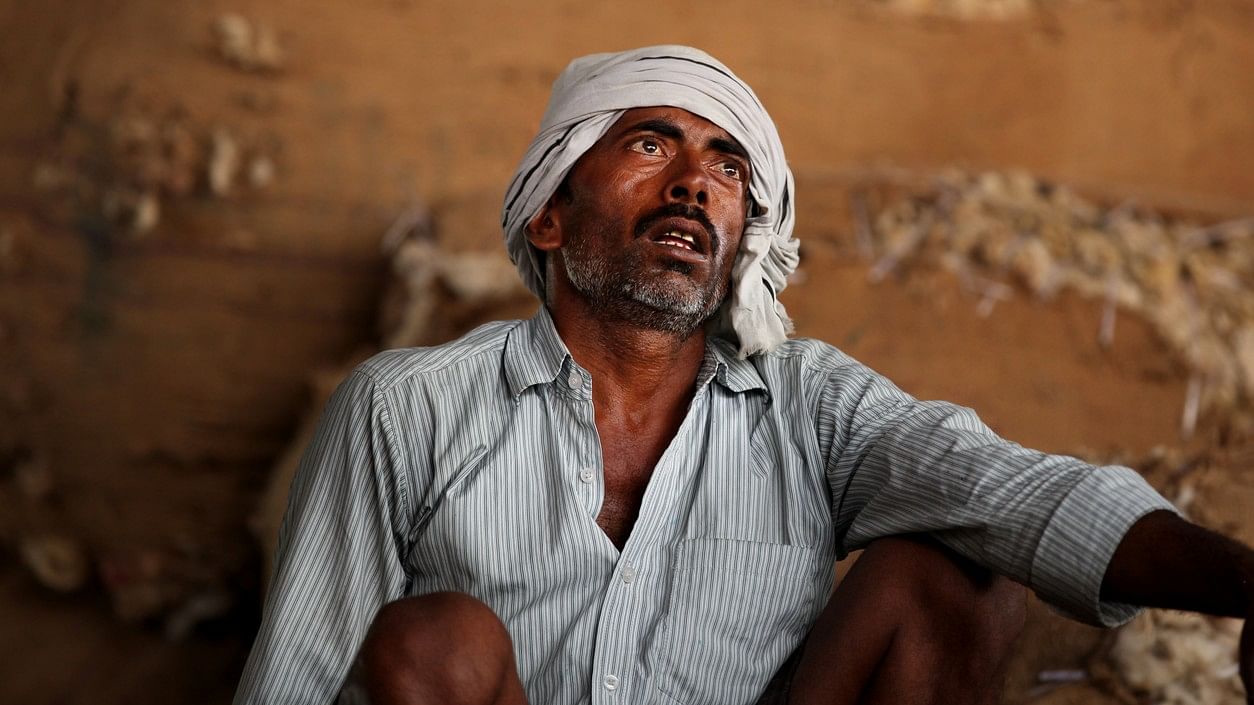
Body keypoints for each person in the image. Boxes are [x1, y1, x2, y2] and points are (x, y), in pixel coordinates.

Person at [234, 46, 1254, 705]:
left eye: (728, 167)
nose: (695, 181)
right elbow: (296, 682)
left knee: (952, 574)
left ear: (743, 235)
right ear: (548, 216)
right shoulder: (407, 407)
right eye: (649, 143)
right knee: (438, 641)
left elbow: (1018, 493)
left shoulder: (810, 405)